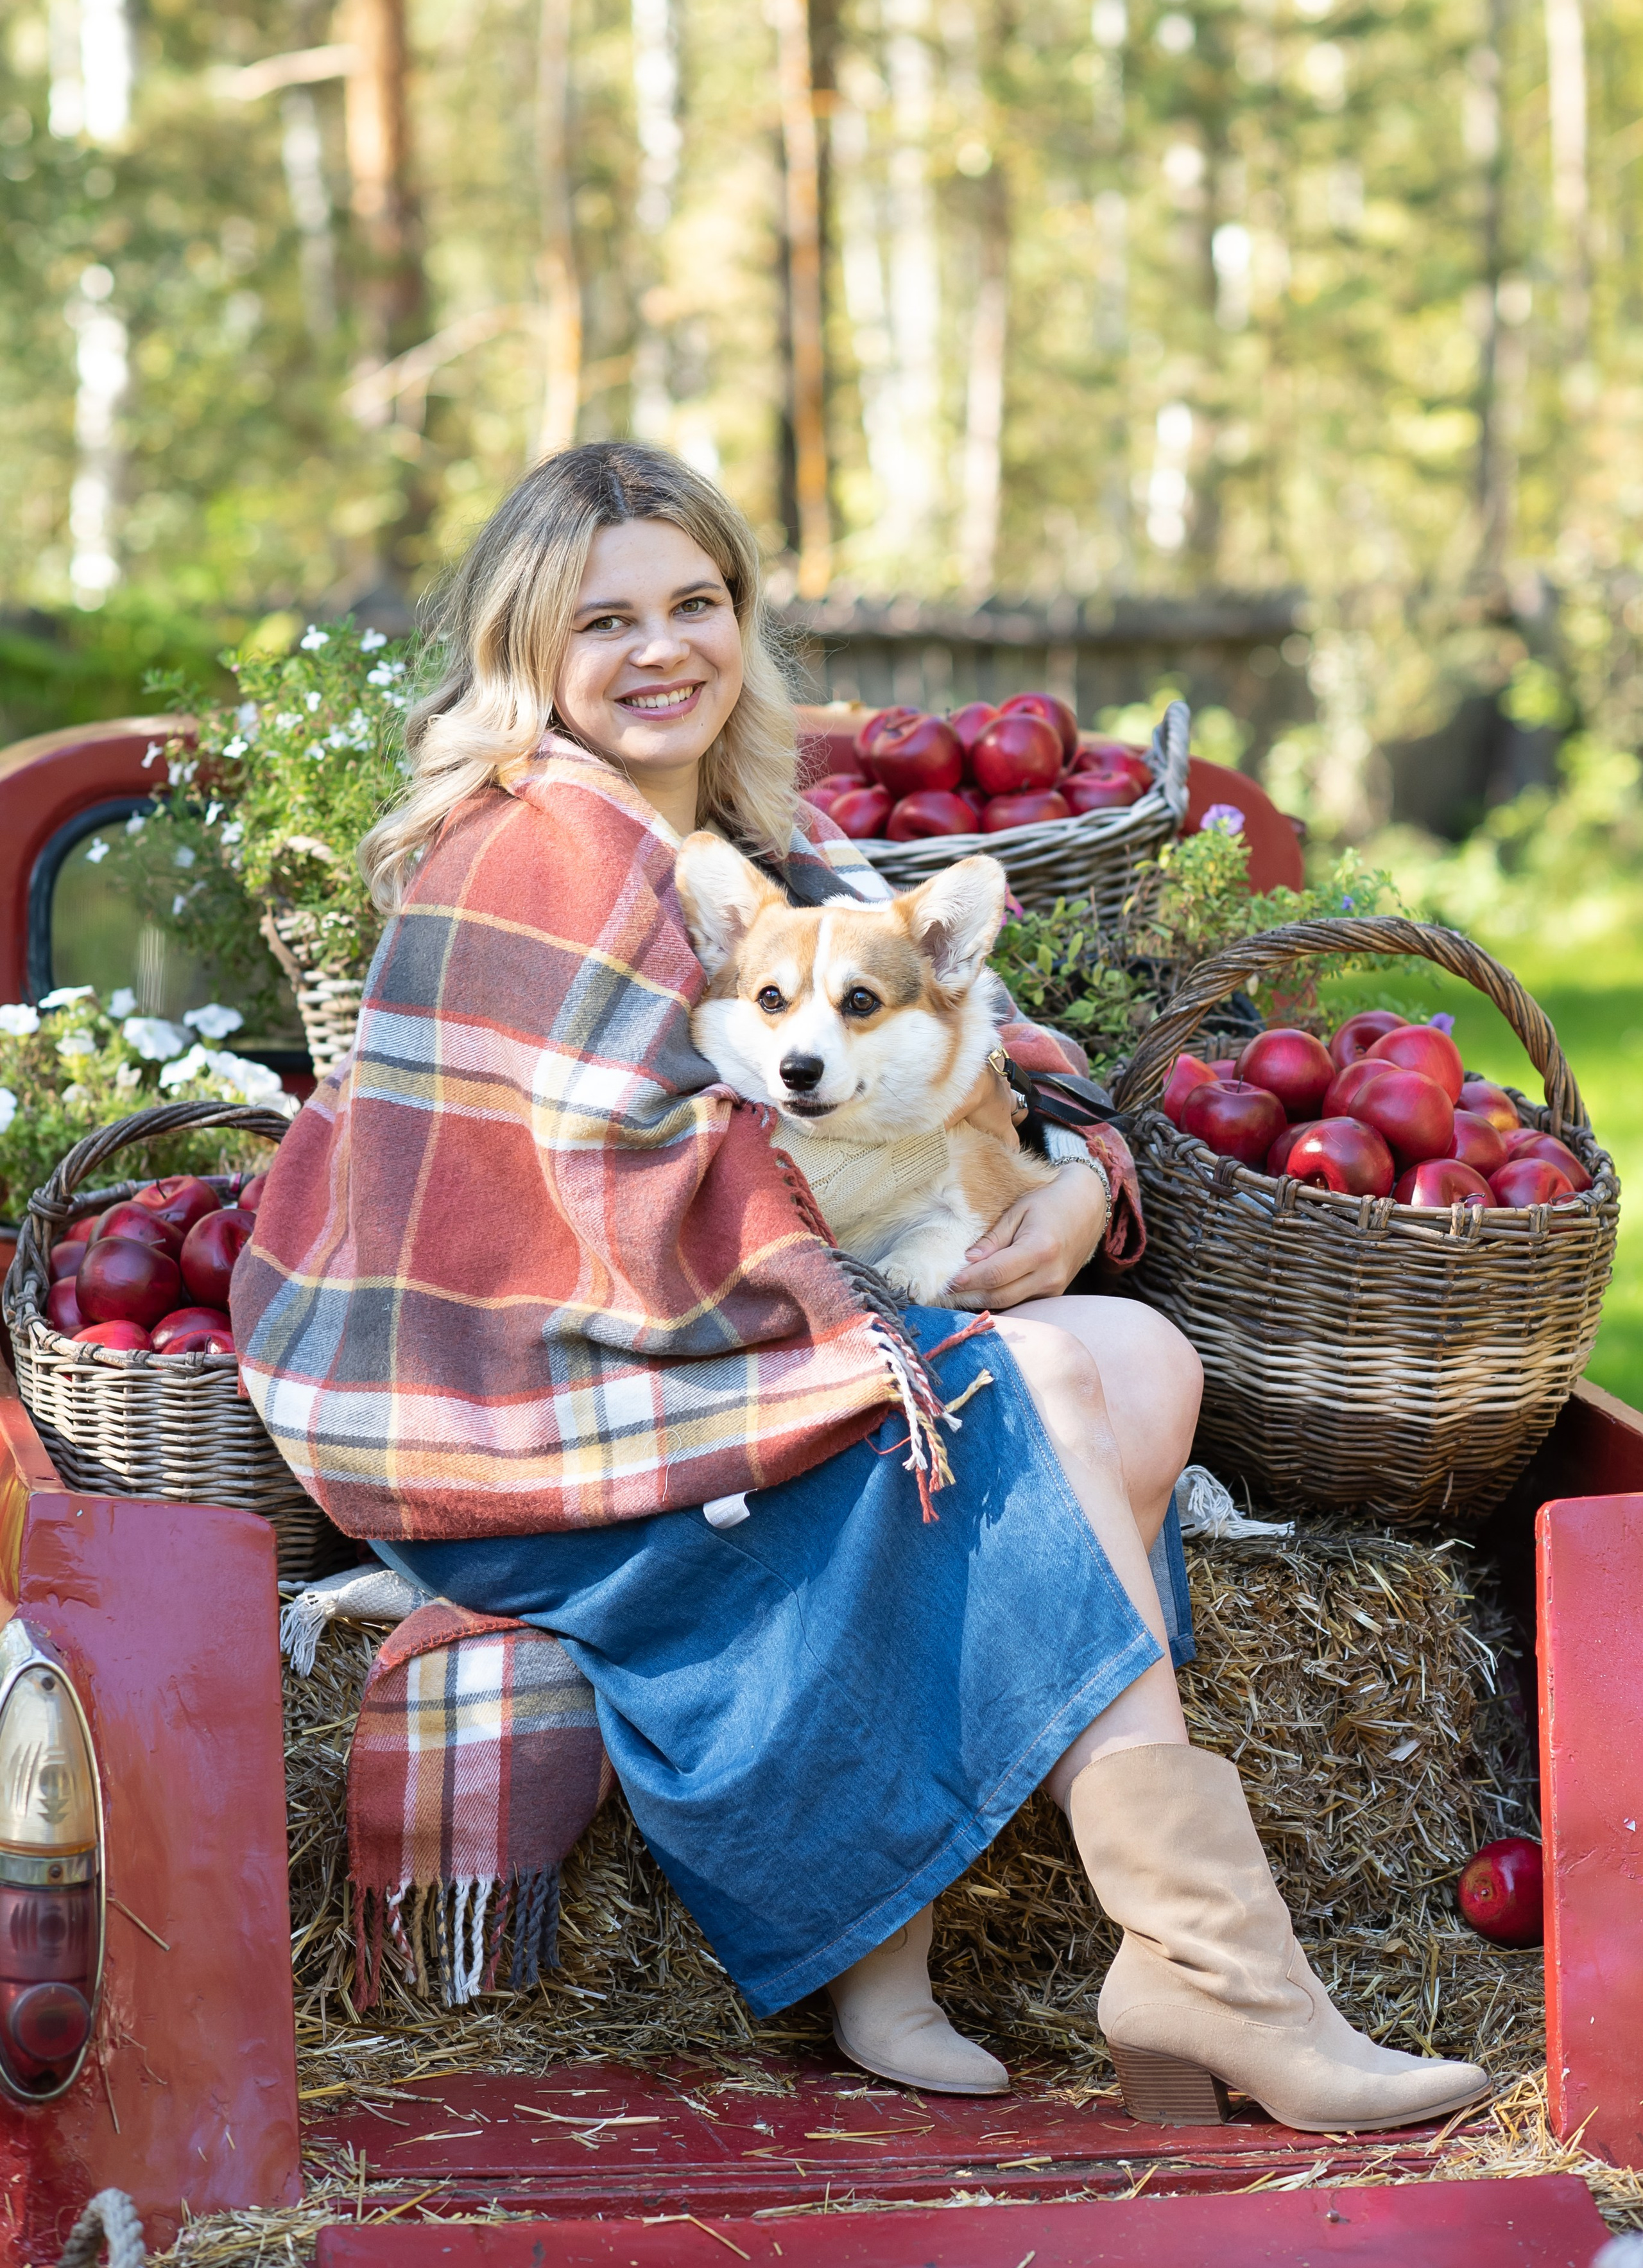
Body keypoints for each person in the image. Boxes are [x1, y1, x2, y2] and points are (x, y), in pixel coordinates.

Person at [236, 442, 1486, 2132]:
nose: (663, 645)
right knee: (1057, 1393)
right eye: (606, 619)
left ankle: (975, 1943)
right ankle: (1187, 1965)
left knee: (1128, 1354)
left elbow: (990, 1045)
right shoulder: (531, 850)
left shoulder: (755, 833)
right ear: (526, 650)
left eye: (698, 602)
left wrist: (1065, 1182)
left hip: (736, 1361)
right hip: (568, 1420)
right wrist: (869, 1320)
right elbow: (609, 1191)